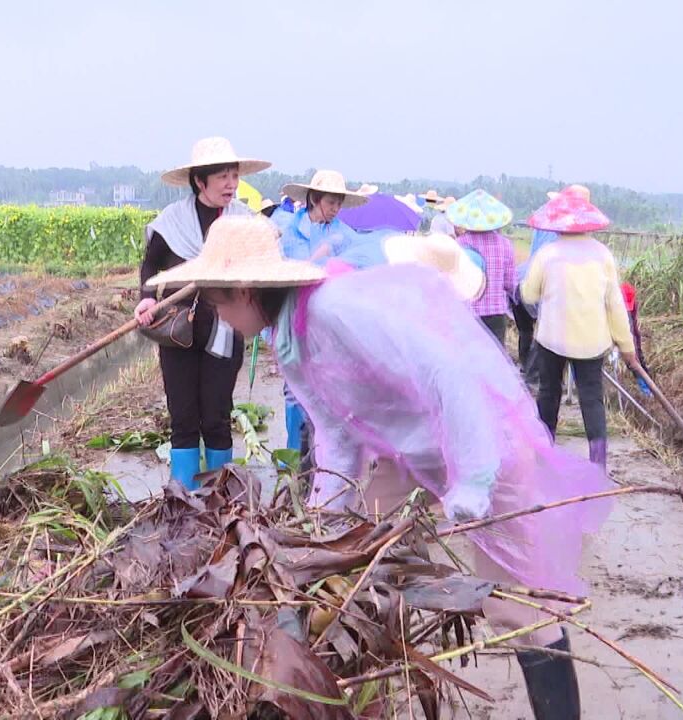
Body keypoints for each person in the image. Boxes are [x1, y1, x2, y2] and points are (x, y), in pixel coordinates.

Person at [146, 215, 610, 718]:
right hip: (408, 453)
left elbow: (448, 373)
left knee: (516, 604)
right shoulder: (290, 338)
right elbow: (338, 435)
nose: (219, 315)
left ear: (243, 290)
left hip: (482, 439)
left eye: (215, 301)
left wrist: (474, 477)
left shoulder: (334, 309)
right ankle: (364, 697)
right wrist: (321, 528)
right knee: (355, 572)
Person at [134, 137, 270, 490]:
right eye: (222, 176)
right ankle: (183, 495)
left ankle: (219, 495)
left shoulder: (244, 223)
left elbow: (265, 269)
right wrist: (147, 299)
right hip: (179, 331)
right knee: (183, 416)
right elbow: (151, 264)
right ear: (200, 181)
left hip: (225, 330)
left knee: (216, 415)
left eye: (234, 175)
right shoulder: (173, 222)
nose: (231, 184)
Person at [520, 192, 640, 471]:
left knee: (549, 393)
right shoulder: (602, 255)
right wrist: (626, 346)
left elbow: (528, 294)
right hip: (592, 342)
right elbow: (615, 305)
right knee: (592, 398)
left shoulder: (547, 255)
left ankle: (543, 455)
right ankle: (598, 462)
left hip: (552, 339)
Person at [273, 170, 373, 460]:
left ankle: (323, 459)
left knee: (326, 389)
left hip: (327, 324)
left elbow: (361, 263)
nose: (335, 208)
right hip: (292, 321)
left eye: (339, 203)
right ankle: (292, 457)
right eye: (331, 202)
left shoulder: (344, 235)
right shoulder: (287, 232)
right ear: (314, 199)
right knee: (293, 390)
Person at [513, 185, 591, 386]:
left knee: (533, 332)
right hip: (544, 284)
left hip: (523, 280)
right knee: (549, 333)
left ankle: (529, 373)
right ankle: (534, 377)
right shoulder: (562, 233)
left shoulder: (545, 223)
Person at [447, 189, 517, 346]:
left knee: (468, 356)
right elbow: (510, 284)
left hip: (467, 312)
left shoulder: (459, 245)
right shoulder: (505, 245)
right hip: (495, 313)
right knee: (495, 358)